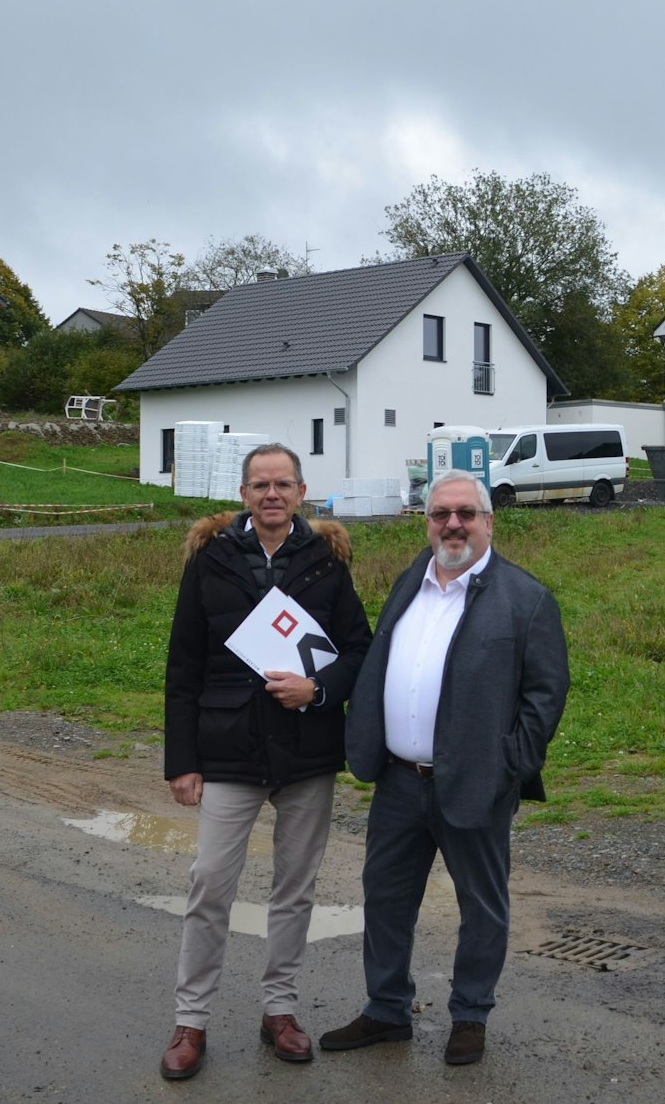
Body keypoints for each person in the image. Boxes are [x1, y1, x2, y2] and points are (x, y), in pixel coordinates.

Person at [319, 470, 569, 1066]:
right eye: (440, 514)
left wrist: (511, 763)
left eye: (465, 513)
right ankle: (386, 1010)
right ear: (426, 521)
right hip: (401, 780)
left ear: (489, 522)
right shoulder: (412, 582)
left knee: (481, 905)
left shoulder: (525, 598)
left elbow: (545, 694)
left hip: (477, 782)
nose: (452, 524)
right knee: (384, 898)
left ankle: (470, 1014)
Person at [158, 444, 372, 1080]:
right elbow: (183, 666)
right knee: (209, 885)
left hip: (306, 752)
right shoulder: (211, 559)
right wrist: (182, 762)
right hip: (226, 751)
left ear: (302, 492)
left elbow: (359, 650)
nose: (272, 494)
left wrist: (320, 690)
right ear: (244, 494)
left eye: (283, 484)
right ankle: (190, 1021)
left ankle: (279, 1010)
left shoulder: (327, 561)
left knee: (294, 891)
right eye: (260, 484)